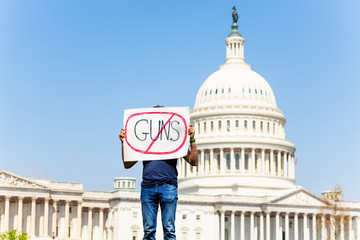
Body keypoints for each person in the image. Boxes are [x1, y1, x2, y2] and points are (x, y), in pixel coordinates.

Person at [118, 123, 198, 240]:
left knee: (169, 230)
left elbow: (193, 161)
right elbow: (127, 164)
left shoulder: (174, 142)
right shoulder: (145, 143)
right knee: (148, 231)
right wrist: (123, 142)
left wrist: (192, 140)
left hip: (168, 187)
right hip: (148, 187)